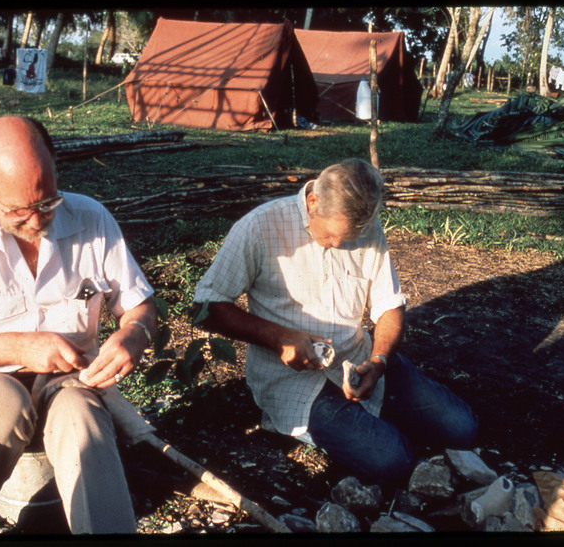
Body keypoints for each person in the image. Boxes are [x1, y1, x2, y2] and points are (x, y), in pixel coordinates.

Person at [0, 116, 156, 534]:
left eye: (48, 202)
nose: (36, 221)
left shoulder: (92, 219)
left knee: (82, 420)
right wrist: (20, 347)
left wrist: (134, 334)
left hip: (70, 380)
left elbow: (139, 306)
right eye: (17, 210)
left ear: (55, 169)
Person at [192, 159, 478, 489]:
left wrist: (379, 361)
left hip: (356, 358)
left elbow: (389, 307)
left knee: (462, 428)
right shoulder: (259, 227)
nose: (339, 245)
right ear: (312, 201)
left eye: (348, 237)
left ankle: (371, 411)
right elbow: (205, 307)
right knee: (393, 459)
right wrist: (278, 337)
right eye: (330, 235)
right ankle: (295, 419)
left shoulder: (365, 228)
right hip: (290, 379)